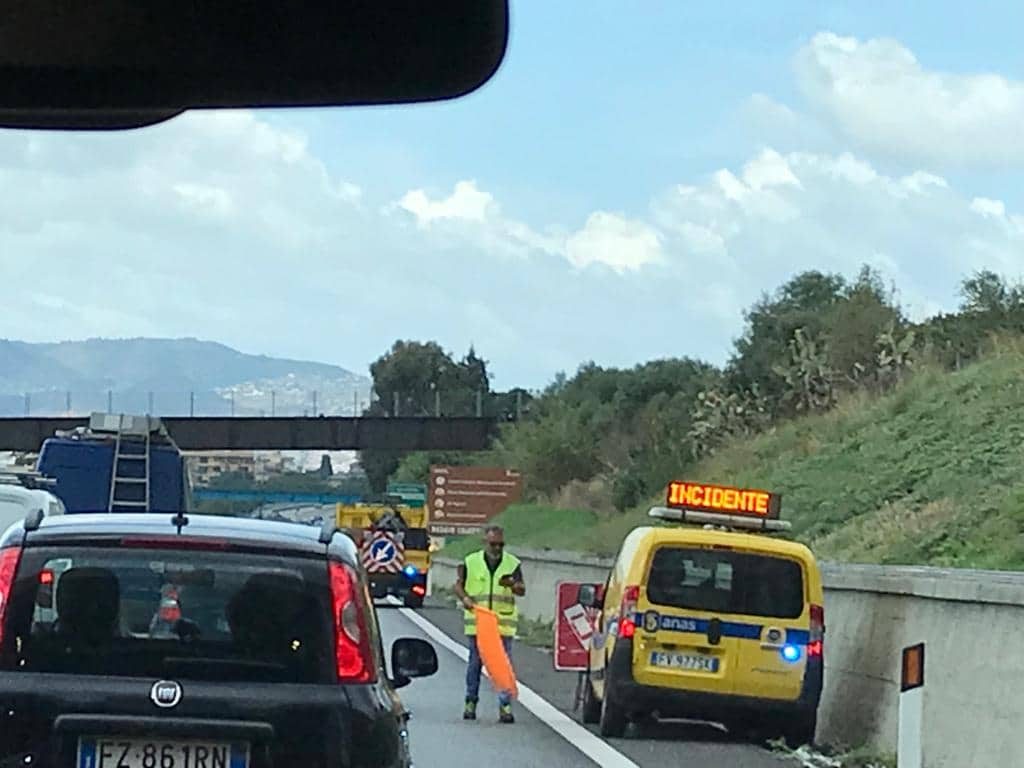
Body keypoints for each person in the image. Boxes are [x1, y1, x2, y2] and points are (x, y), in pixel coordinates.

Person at [454, 524, 525, 724]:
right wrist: (465, 598)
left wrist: (513, 584)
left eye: (501, 545)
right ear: (485, 543)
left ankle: (505, 705)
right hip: (478, 624)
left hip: (503, 624)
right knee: (475, 664)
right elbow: (458, 584)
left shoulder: (512, 564)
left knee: (502, 666)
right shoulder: (471, 562)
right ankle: (470, 702)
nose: (497, 549)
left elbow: (521, 589)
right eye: (493, 544)